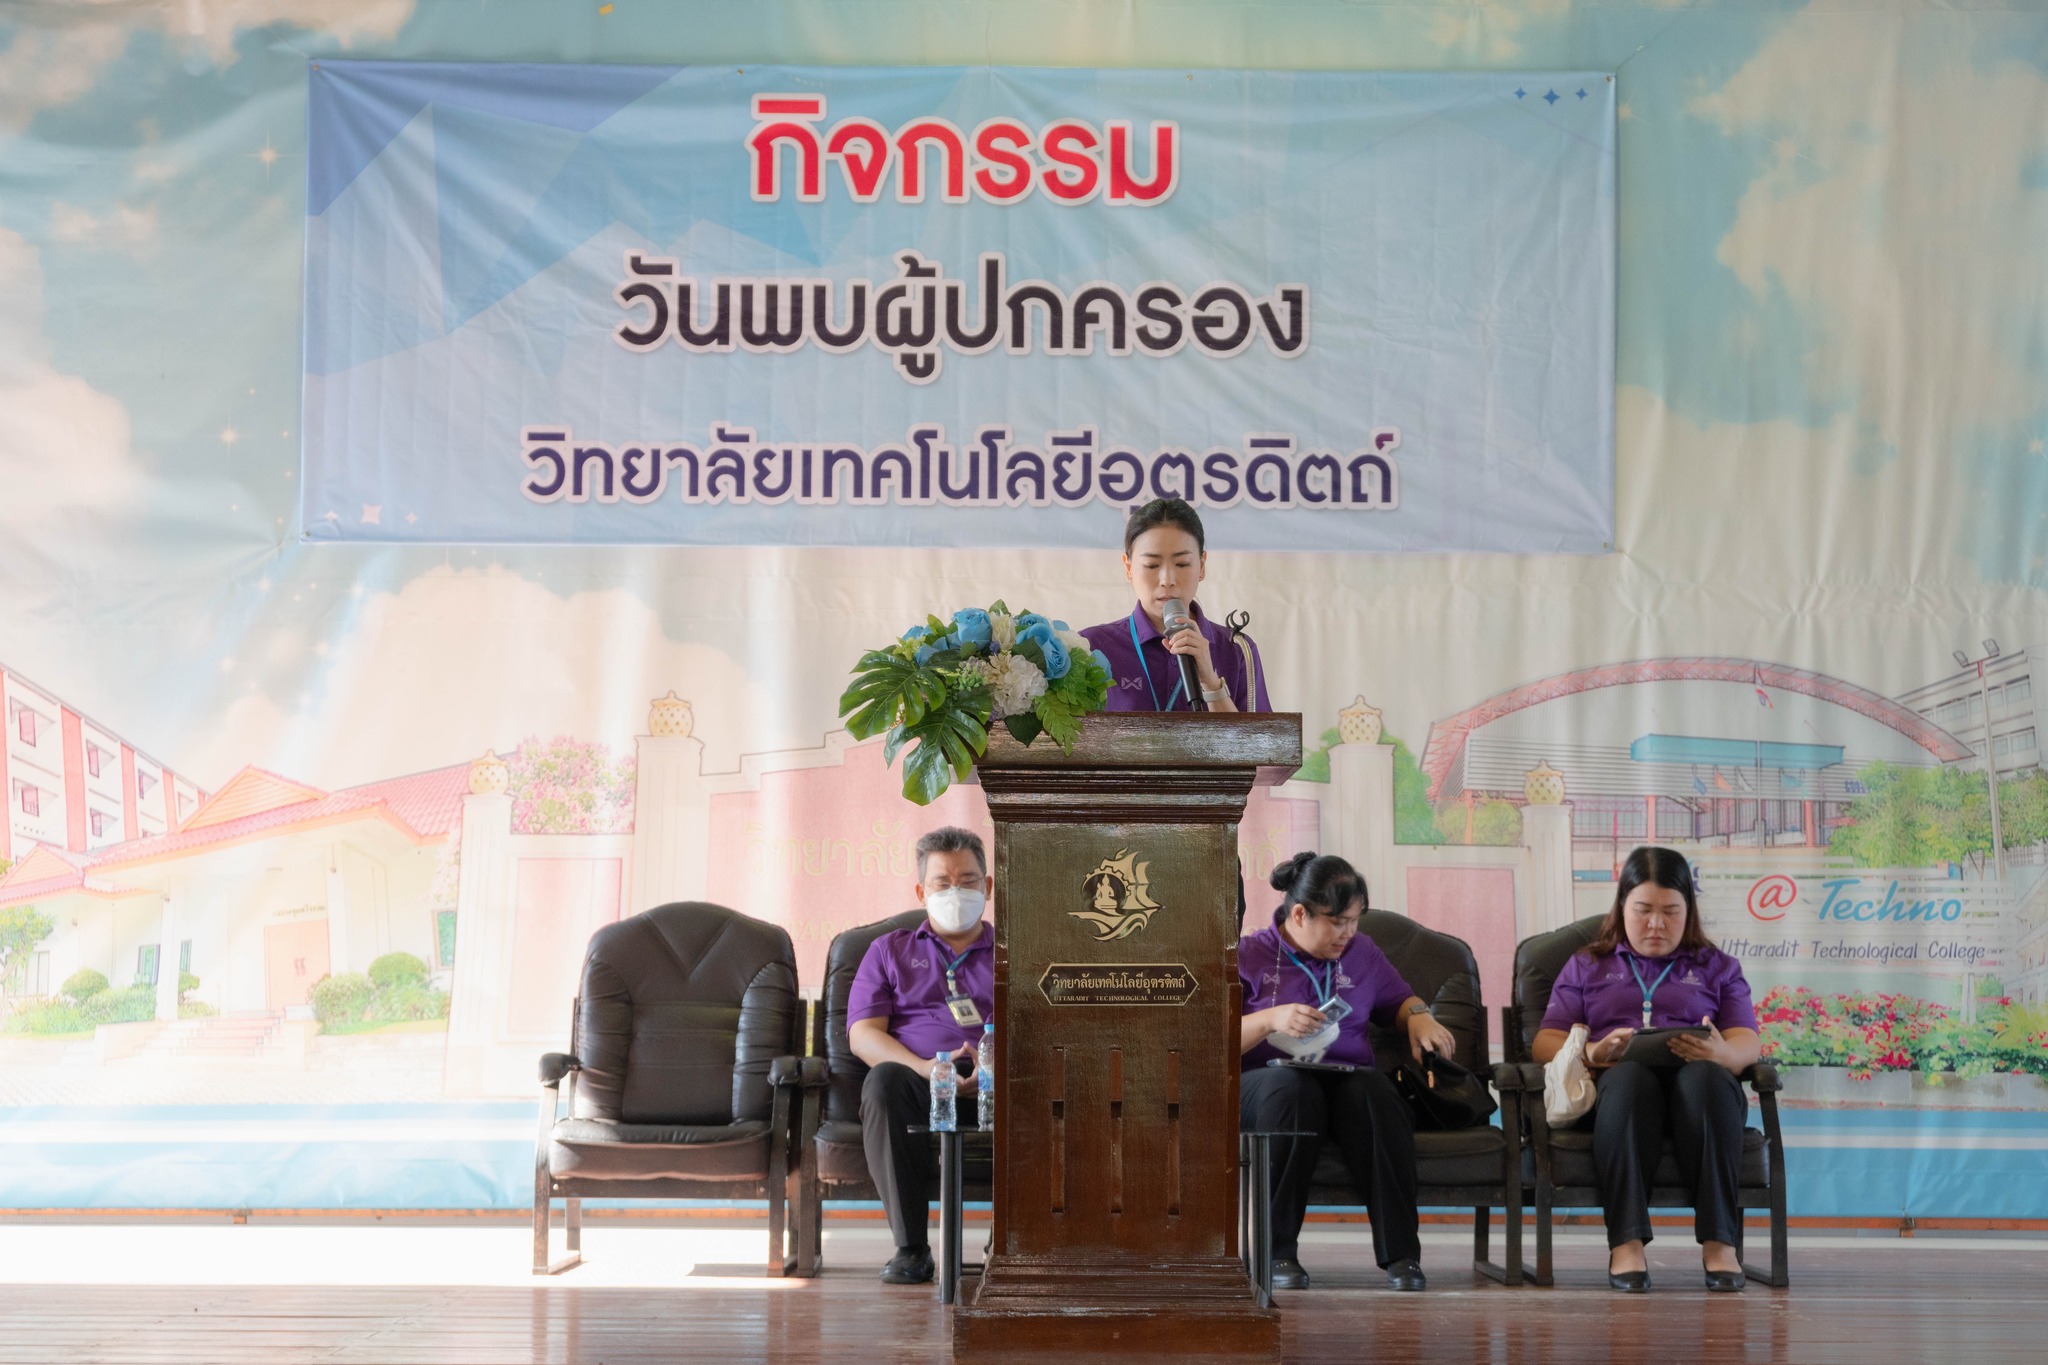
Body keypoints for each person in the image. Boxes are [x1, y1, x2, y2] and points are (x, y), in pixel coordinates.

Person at [1529, 845, 1762, 1294]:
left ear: (1689, 911)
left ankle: (1720, 1243)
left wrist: (1723, 1056)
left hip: (1702, 1092)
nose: (1656, 924)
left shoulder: (1717, 967)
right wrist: (1594, 1051)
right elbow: (1545, 1041)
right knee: (1629, 1079)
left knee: (1704, 1079)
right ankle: (1627, 1244)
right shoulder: (1587, 964)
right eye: (1643, 910)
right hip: (1619, 1091)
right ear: (1621, 907)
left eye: (1671, 911)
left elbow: (1746, 1038)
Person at [1238, 852, 1456, 1292]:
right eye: (1338, 921)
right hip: (1267, 1085)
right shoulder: (1250, 955)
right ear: (1298, 913)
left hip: (1343, 1077)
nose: (1348, 933)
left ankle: (1402, 1255)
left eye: (1355, 920)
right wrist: (1269, 1020)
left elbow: (1400, 1000)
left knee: (1374, 1093)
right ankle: (1275, 1252)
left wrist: (1419, 1017)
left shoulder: (1362, 952)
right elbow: (1210, 1040)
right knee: (1292, 1090)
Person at [847, 826, 994, 1285]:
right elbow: (863, 1035)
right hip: (921, 1078)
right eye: (942, 882)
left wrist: (994, 1067)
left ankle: (1014, 1244)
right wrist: (928, 1070)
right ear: (921, 891)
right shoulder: (887, 950)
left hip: (1001, 1075)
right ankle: (911, 1248)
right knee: (883, 1083)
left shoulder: (1016, 951)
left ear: (988, 887)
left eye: (968, 881)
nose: (957, 891)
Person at [1080, 497, 1271, 714]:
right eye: (1152, 565)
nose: (1167, 579)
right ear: (1129, 568)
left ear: (1202, 566)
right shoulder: (1091, 647)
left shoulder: (1237, 649)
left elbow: (1256, 746)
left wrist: (1210, 683)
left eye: (1182, 564)